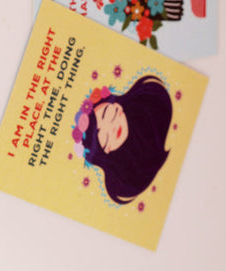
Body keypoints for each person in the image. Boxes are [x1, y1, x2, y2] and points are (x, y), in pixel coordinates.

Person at [72, 75, 172, 204]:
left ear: (118, 106)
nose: (112, 128)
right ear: (107, 150)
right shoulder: (131, 178)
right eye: (106, 137)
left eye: (108, 114)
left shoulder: (153, 110)